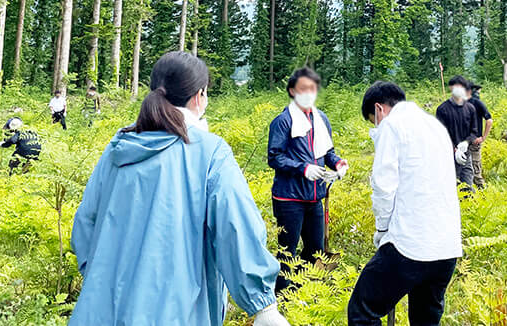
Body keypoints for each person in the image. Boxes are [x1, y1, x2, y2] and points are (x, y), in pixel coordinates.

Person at [70, 51, 289, 326]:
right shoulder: (210, 152)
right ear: (199, 96)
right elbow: (235, 229)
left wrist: (101, 280)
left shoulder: (119, 148)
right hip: (176, 312)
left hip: (99, 311)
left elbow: (86, 224)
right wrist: (263, 306)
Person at [348, 81, 462, 326]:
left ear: (379, 109)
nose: (376, 126)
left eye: (372, 120)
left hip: (410, 245)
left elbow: (383, 185)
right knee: (425, 320)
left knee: (363, 311)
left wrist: (381, 230)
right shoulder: (435, 126)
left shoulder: (391, 125)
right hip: (446, 247)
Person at [267, 66, 348, 293]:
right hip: (289, 198)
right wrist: (303, 168)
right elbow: (274, 157)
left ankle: (303, 288)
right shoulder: (283, 121)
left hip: (315, 197)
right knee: (287, 250)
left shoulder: (321, 119)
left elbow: (327, 152)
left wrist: (339, 164)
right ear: (292, 91)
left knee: (316, 248)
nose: (309, 93)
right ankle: (282, 296)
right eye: (303, 88)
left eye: (312, 88)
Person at [435, 75, 478, 189]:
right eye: (456, 85)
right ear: (450, 87)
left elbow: (474, 132)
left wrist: (466, 143)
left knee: (468, 187)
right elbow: (440, 134)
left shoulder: (470, 109)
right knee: (450, 187)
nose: (458, 88)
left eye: (461, 85)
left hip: (466, 155)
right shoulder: (442, 109)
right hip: (448, 156)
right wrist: (454, 148)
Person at [466, 82, 492, 189]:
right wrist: (483, 137)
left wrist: (483, 137)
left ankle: (481, 197)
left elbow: (489, 121)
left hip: (467, 141)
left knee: (469, 172)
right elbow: (489, 120)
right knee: (473, 172)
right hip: (470, 140)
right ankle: (478, 195)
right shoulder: (477, 102)